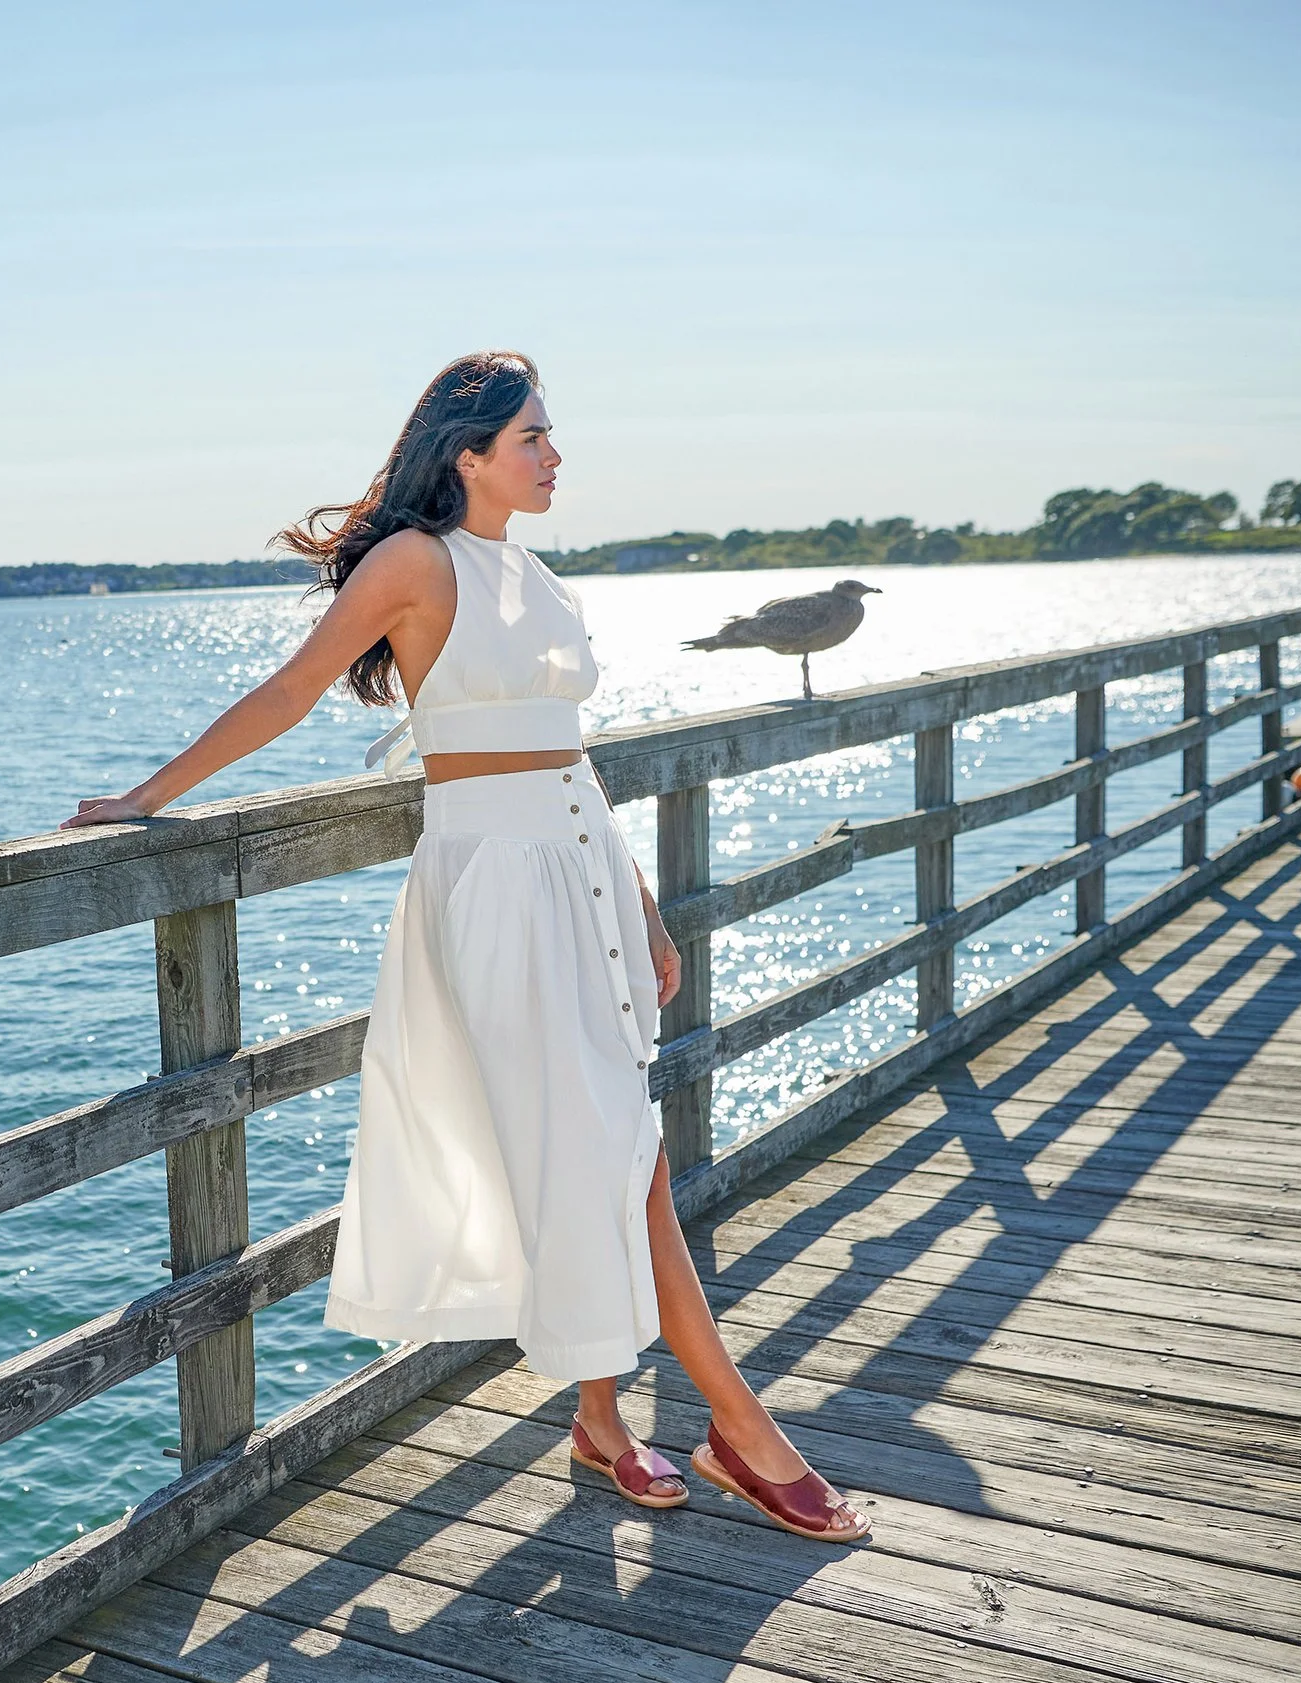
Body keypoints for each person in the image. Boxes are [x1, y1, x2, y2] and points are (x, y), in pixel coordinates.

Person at [63, 351, 868, 1542]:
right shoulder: (412, 563)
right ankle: (739, 1426)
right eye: (534, 438)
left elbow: (570, 755)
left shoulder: (537, 575)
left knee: (602, 1144)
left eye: (551, 437)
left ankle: (601, 1418)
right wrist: (146, 795)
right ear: (469, 454)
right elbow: (290, 694)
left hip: (582, 875)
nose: (555, 457)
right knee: (615, 1151)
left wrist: (640, 902)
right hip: (494, 887)